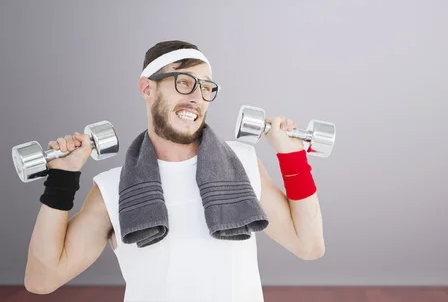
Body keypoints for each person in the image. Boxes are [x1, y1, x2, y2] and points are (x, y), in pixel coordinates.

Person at [23, 40, 326, 302]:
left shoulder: (242, 164)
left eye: (206, 87)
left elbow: (309, 245)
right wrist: (61, 179)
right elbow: (42, 279)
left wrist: (292, 155)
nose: (196, 97)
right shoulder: (113, 188)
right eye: (184, 82)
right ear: (147, 88)